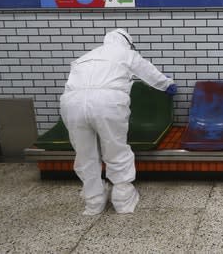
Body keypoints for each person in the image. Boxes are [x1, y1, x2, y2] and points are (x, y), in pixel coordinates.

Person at [60, 28, 177, 215]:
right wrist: (166, 84)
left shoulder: (86, 56)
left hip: (72, 103)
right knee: (115, 148)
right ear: (127, 42)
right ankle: (122, 198)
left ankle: (94, 201)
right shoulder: (125, 53)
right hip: (107, 102)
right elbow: (147, 71)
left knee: (84, 153)